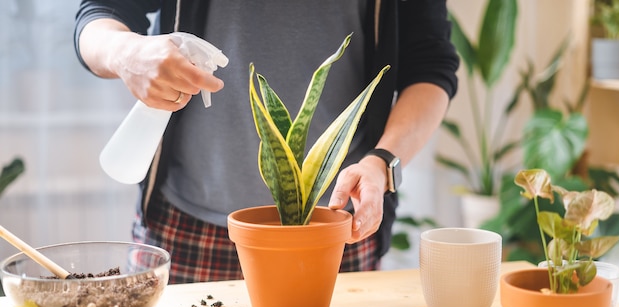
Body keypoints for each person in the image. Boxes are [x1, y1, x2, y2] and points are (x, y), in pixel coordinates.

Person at [74, 0, 459, 284]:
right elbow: (100, 14)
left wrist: (382, 162)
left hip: (334, 228)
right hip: (185, 227)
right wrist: (126, 53)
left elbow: (430, 66)